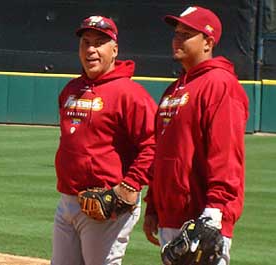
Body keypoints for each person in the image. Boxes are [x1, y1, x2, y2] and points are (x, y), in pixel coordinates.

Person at [143, 6, 249, 265]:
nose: (177, 39)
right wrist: (154, 206)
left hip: (203, 217)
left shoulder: (220, 84)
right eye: (176, 33)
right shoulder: (174, 89)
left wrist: (214, 211)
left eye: (187, 34)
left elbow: (225, 151)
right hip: (172, 214)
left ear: (208, 42)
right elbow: (162, 153)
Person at [51, 15, 156, 265]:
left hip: (107, 205)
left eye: (99, 43)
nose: (91, 50)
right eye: (85, 43)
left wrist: (130, 186)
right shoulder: (70, 90)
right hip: (67, 199)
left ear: (114, 49)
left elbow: (153, 145)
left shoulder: (130, 94)